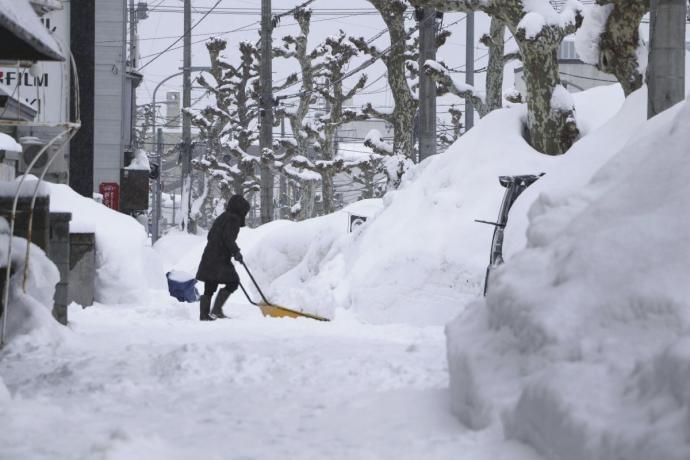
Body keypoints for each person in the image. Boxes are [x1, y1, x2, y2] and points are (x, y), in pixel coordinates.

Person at [196, 194, 251, 321]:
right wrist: (236, 252)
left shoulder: (223, 217)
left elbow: (210, 235)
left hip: (210, 255)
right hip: (220, 258)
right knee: (233, 282)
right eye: (244, 211)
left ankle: (204, 315)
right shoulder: (234, 219)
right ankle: (216, 310)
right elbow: (228, 238)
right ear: (240, 209)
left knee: (210, 284)